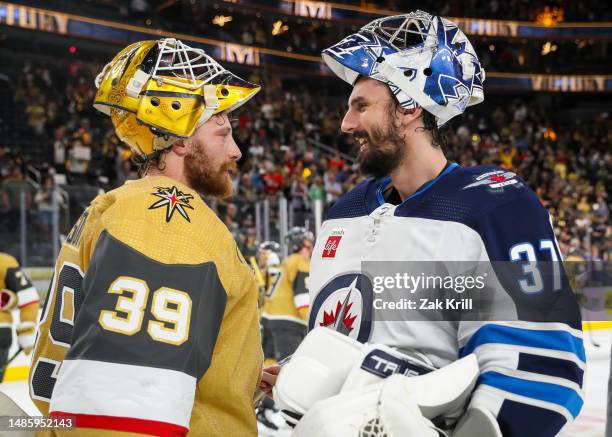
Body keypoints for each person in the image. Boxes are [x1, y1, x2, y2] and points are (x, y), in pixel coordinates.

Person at [265, 10, 584, 437]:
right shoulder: (345, 212)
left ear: (410, 107)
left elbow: (544, 364)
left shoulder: (493, 204)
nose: (346, 124)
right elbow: (358, 345)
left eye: (361, 106)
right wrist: (296, 375)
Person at [29, 38, 263, 436]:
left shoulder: (123, 207)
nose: (236, 151)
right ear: (182, 139)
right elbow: (128, 409)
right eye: (222, 133)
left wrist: (238, 372)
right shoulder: (168, 218)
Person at [258, 227, 313, 432]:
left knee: (269, 365)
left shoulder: (285, 262)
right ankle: (284, 412)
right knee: (287, 369)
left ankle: (262, 406)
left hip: (270, 319)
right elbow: (302, 300)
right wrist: (316, 326)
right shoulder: (299, 262)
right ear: (303, 245)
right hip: (288, 322)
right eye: (309, 243)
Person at [0, 252, 39, 380]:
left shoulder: (5, 263)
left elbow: (27, 297)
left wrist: (26, 328)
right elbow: (28, 296)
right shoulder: (5, 261)